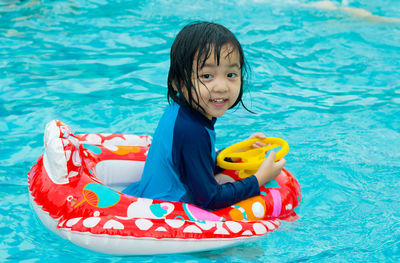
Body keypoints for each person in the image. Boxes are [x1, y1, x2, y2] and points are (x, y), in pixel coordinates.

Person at [123, 22, 286, 210]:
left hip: (151, 196)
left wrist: (235, 154)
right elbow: (209, 199)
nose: (222, 86)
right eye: (207, 76)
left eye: (231, 74)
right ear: (178, 83)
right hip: (168, 212)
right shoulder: (192, 130)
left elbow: (192, 166)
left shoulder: (184, 112)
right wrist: (259, 179)